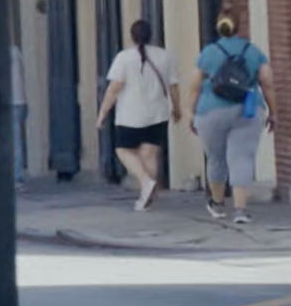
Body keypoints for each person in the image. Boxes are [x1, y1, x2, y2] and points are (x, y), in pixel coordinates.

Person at [193, 15, 276, 225]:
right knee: (242, 158)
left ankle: (218, 205)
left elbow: (194, 85)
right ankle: (240, 210)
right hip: (248, 108)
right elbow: (267, 82)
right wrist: (273, 111)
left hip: (211, 110)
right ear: (239, 28)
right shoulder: (253, 51)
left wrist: (189, 113)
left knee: (215, 157)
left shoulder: (209, 52)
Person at [92, 18, 180, 211]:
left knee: (123, 150)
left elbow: (113, 89)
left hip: (130, 115)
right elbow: (173, 86)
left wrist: (102, 114)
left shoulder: (124, 58)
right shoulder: (165, 56)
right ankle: (145, 194)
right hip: (158, 113)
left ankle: (145, 182)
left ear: (132, 37)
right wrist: (177, 107)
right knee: (149, 153)